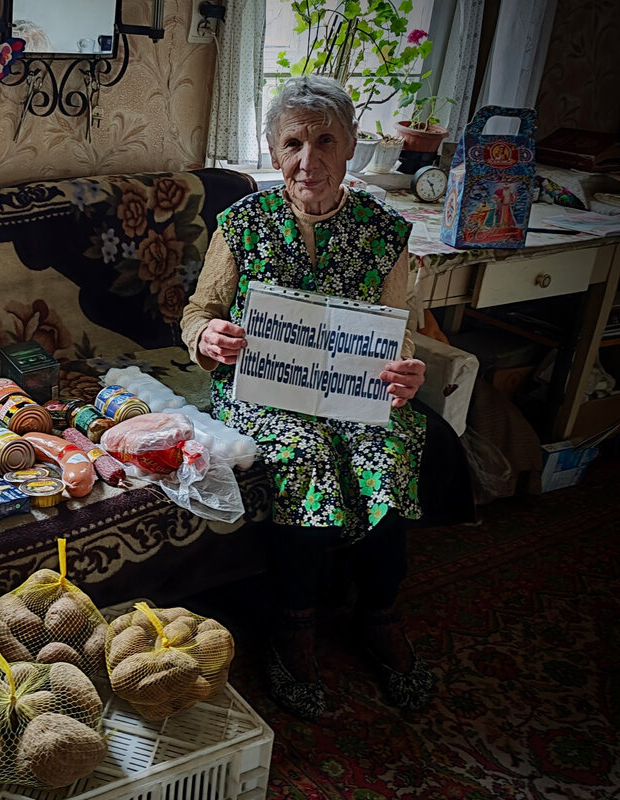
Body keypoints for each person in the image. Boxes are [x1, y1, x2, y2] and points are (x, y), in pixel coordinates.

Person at [180, 75, 434, 720]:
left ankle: (380, 614)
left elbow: (398, 331)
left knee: (389, 450)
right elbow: (198, 310)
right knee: (305, 459)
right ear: (272, 151)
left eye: (325, 141)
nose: (308, 159)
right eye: (292, 142)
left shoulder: (385, 231)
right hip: (263, 390)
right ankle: (294, 625)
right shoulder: (242, 223)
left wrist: (407, 373)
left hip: (353, 390)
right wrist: (208, 335)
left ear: (350, 147)